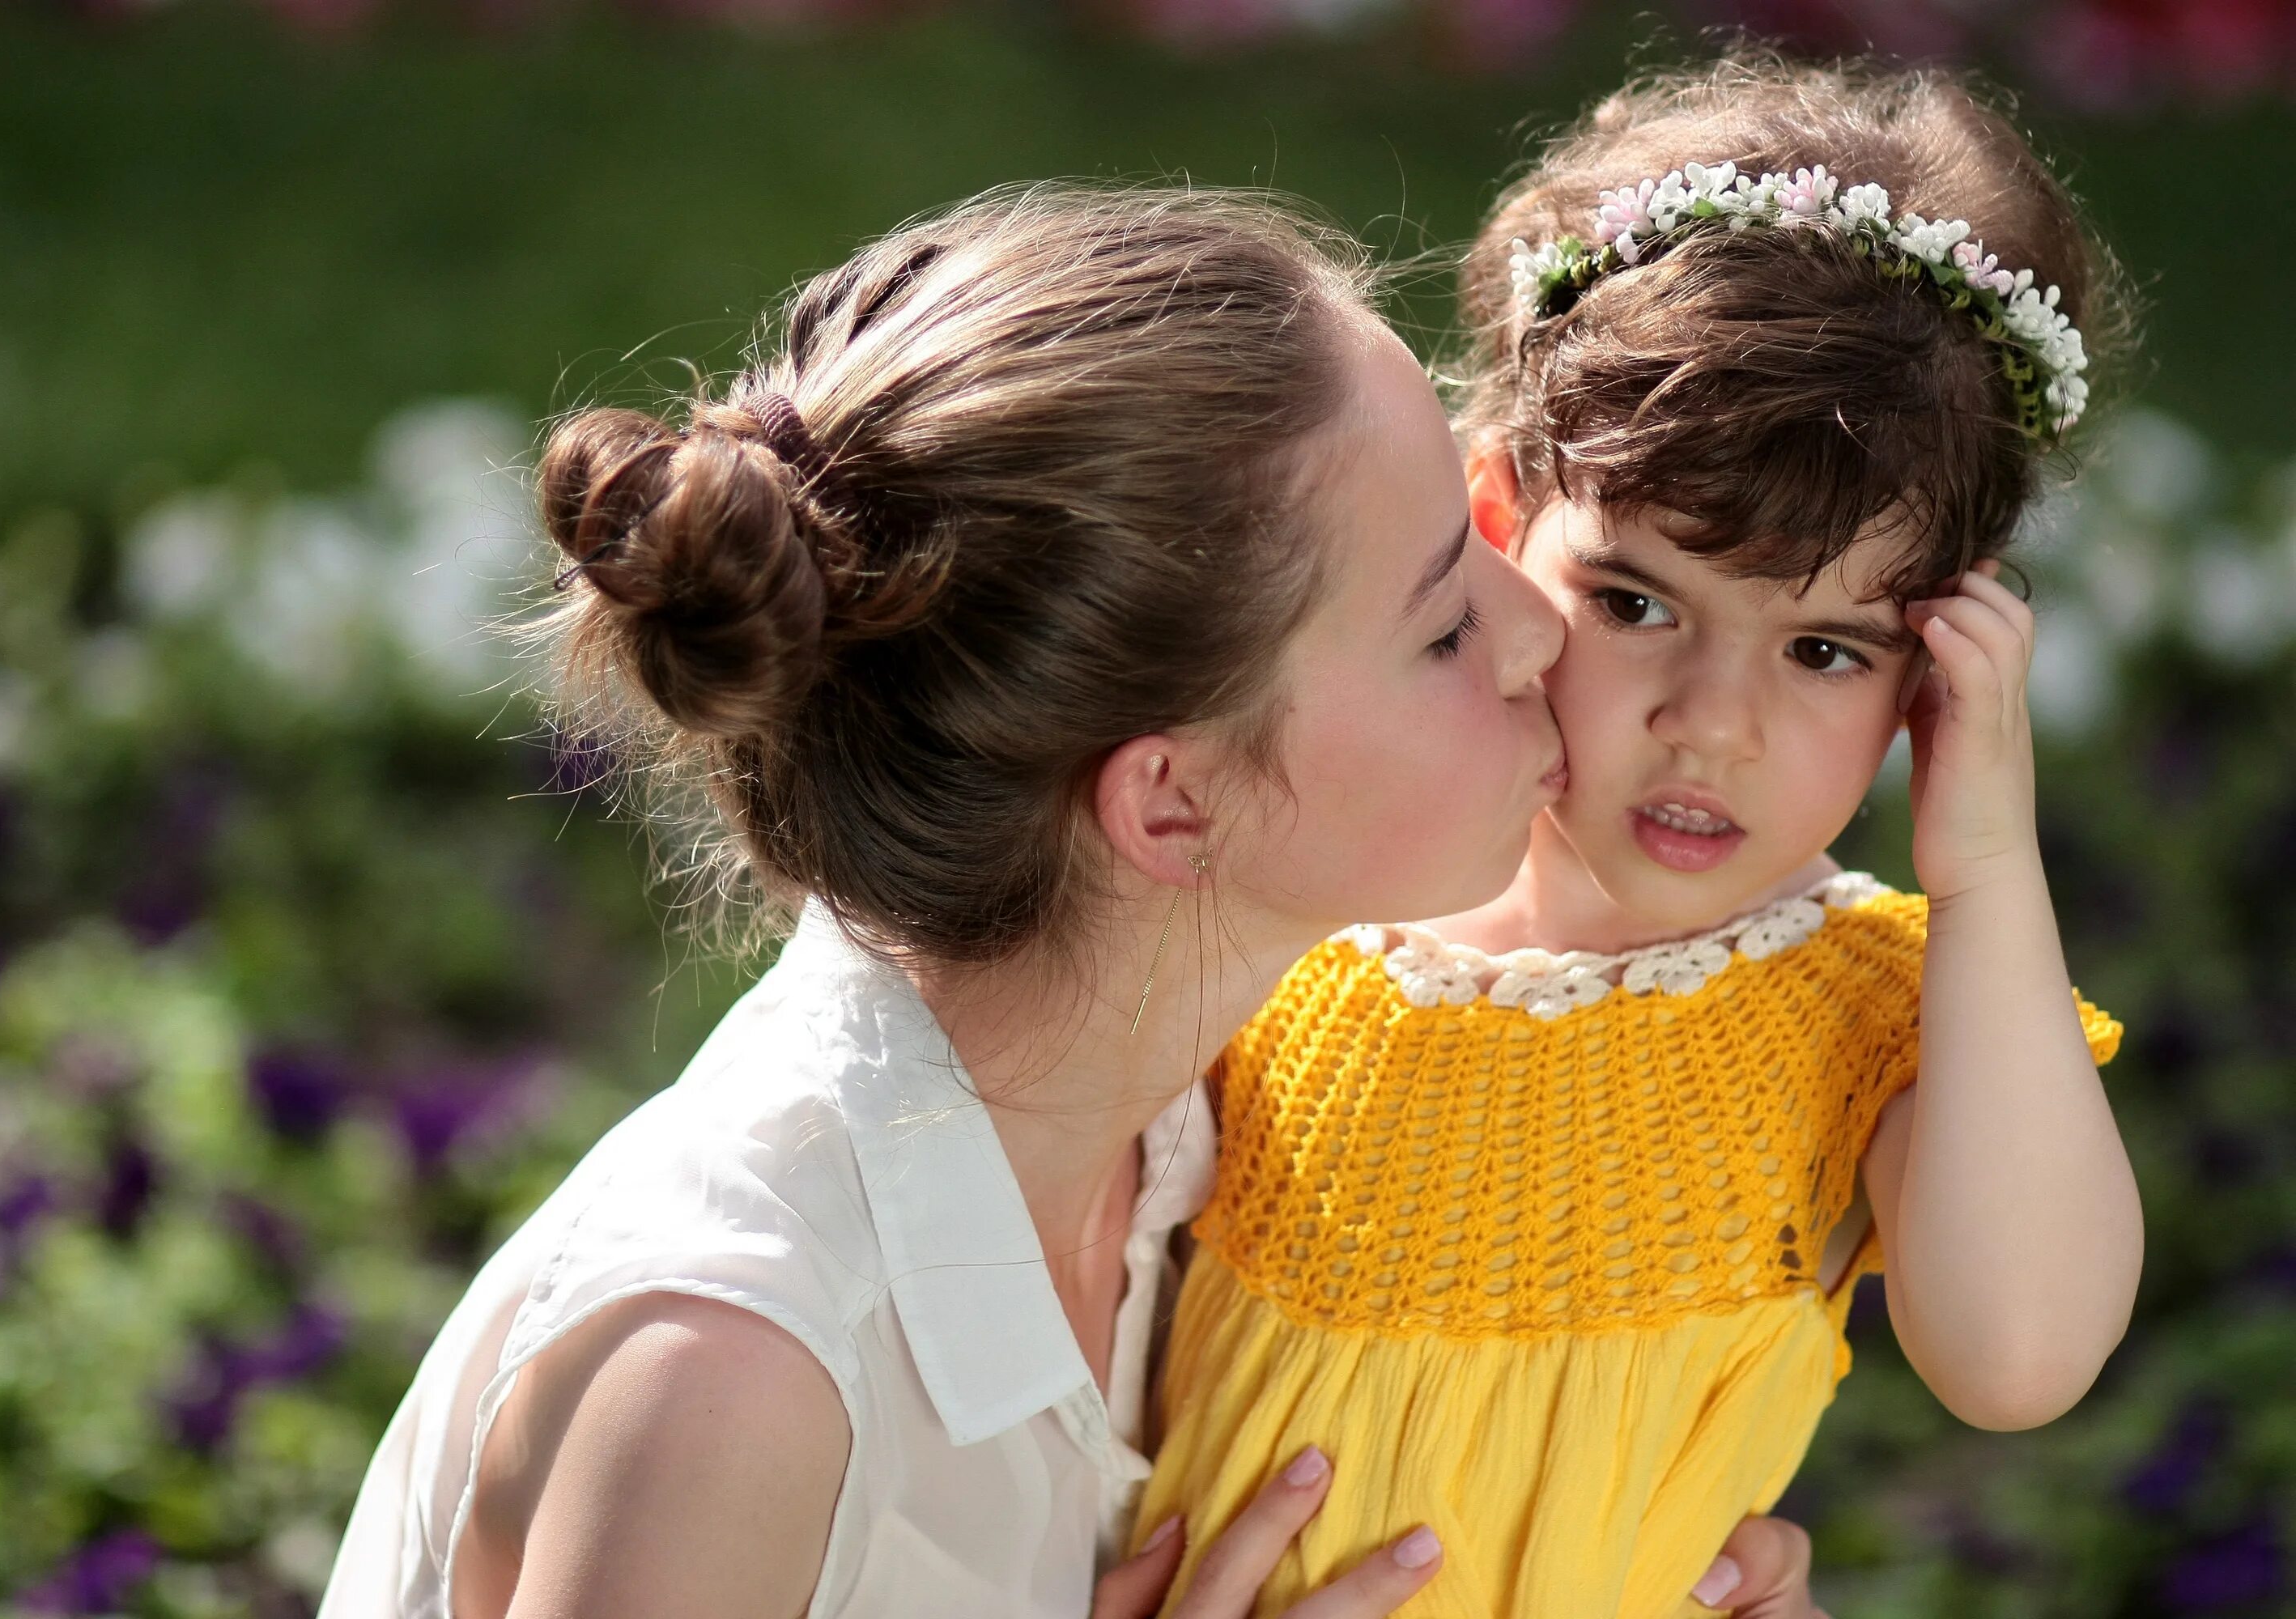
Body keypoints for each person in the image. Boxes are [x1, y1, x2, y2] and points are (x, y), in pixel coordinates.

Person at [317, 183, 1813, 1619]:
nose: (1536, 619)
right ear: (1171, 802)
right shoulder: (735, 1377)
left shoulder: (1227, 1101)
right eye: (1437, 622)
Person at [1134, 54, 2144, 1619]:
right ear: (1494, 525)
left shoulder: (1861, 1010)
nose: (1711, 721)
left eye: (1825, 650)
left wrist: (1989, 871)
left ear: (1935, 668)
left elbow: (2019, 1357)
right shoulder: (1302, 900)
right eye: (1636, 603)